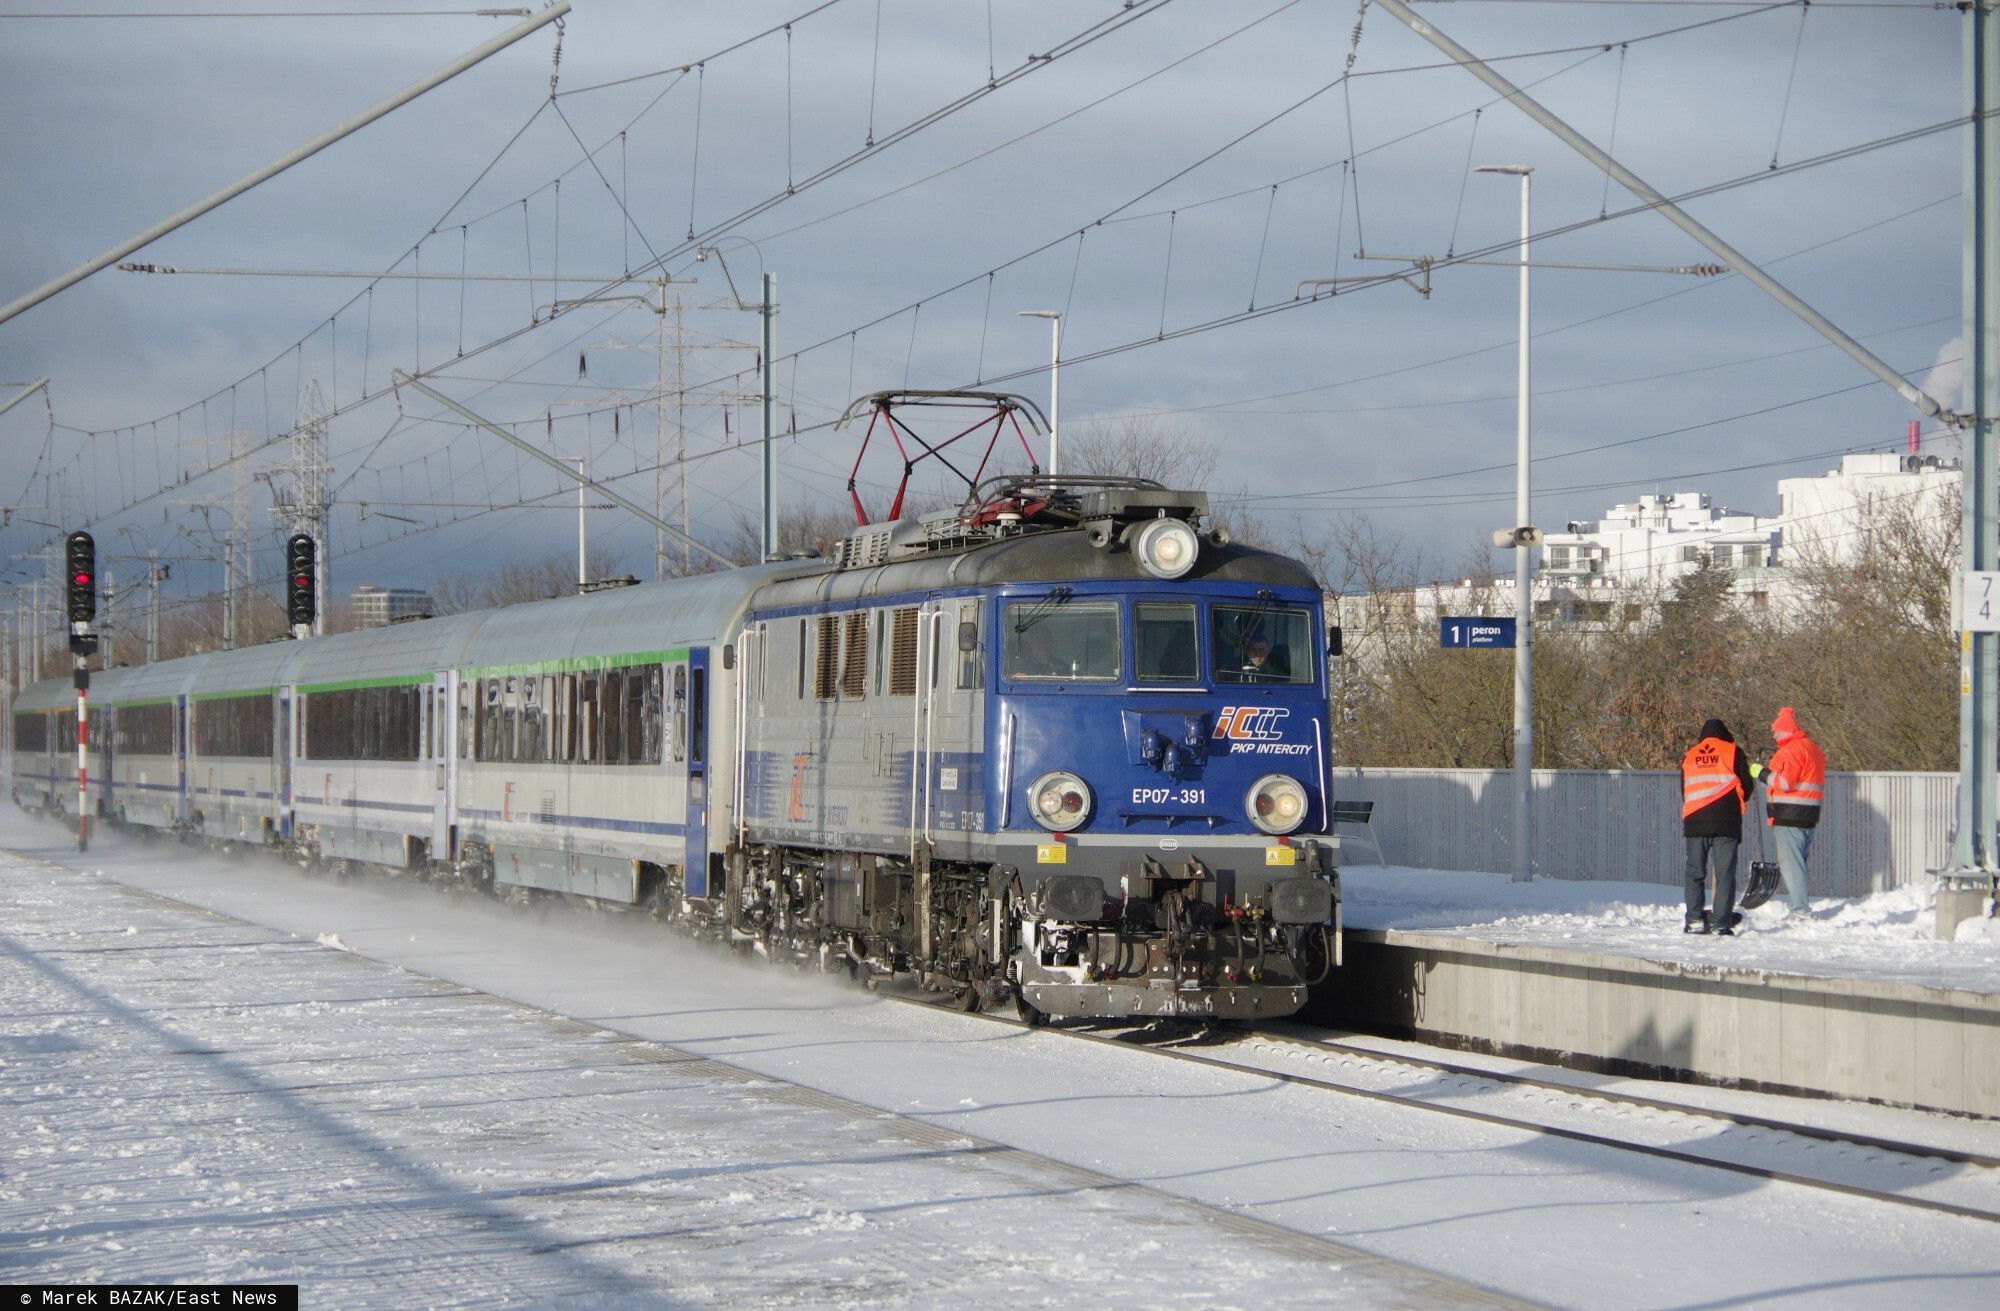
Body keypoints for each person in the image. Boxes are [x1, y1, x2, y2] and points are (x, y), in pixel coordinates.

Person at [1681, 718, 1756, 935]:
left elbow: (1684, 789)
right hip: (1726, 821)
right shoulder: (1733, 751)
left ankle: (1694, 920)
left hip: (1695, 821)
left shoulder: (1690, 755)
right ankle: (1721, 923)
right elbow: (1747, 785)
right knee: (1724, 874)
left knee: (1695, 872)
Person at [1756, 706, 1825, 916]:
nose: (1773, 735)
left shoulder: (1791, 750)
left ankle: (1799, 910)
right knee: (1798, 863)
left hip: (1789, 814)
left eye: (1775, 731)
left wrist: (1761, 773)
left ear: (1786, 730)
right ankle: (1799, 906)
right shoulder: (1812, 748)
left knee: (1791, 865)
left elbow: (1785, 783)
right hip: (1808, 814)